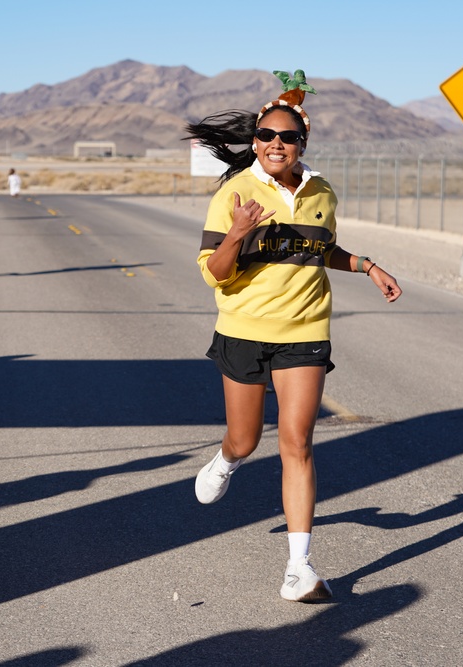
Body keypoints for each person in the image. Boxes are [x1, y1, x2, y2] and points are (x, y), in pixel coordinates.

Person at [186, 69, 402, 602]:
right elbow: (215, 272)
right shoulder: (235, 192)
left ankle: (298, 568)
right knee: (246, 438)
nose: (275, 144)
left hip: (305, 330)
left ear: (302, 142)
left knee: (297, 442)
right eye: (266, 136)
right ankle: (226, 459)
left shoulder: (322, 189)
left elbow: (318, 247)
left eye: (287, 137)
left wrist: (367, 266)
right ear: (254, 142)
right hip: (243, 329)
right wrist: (237, 233)